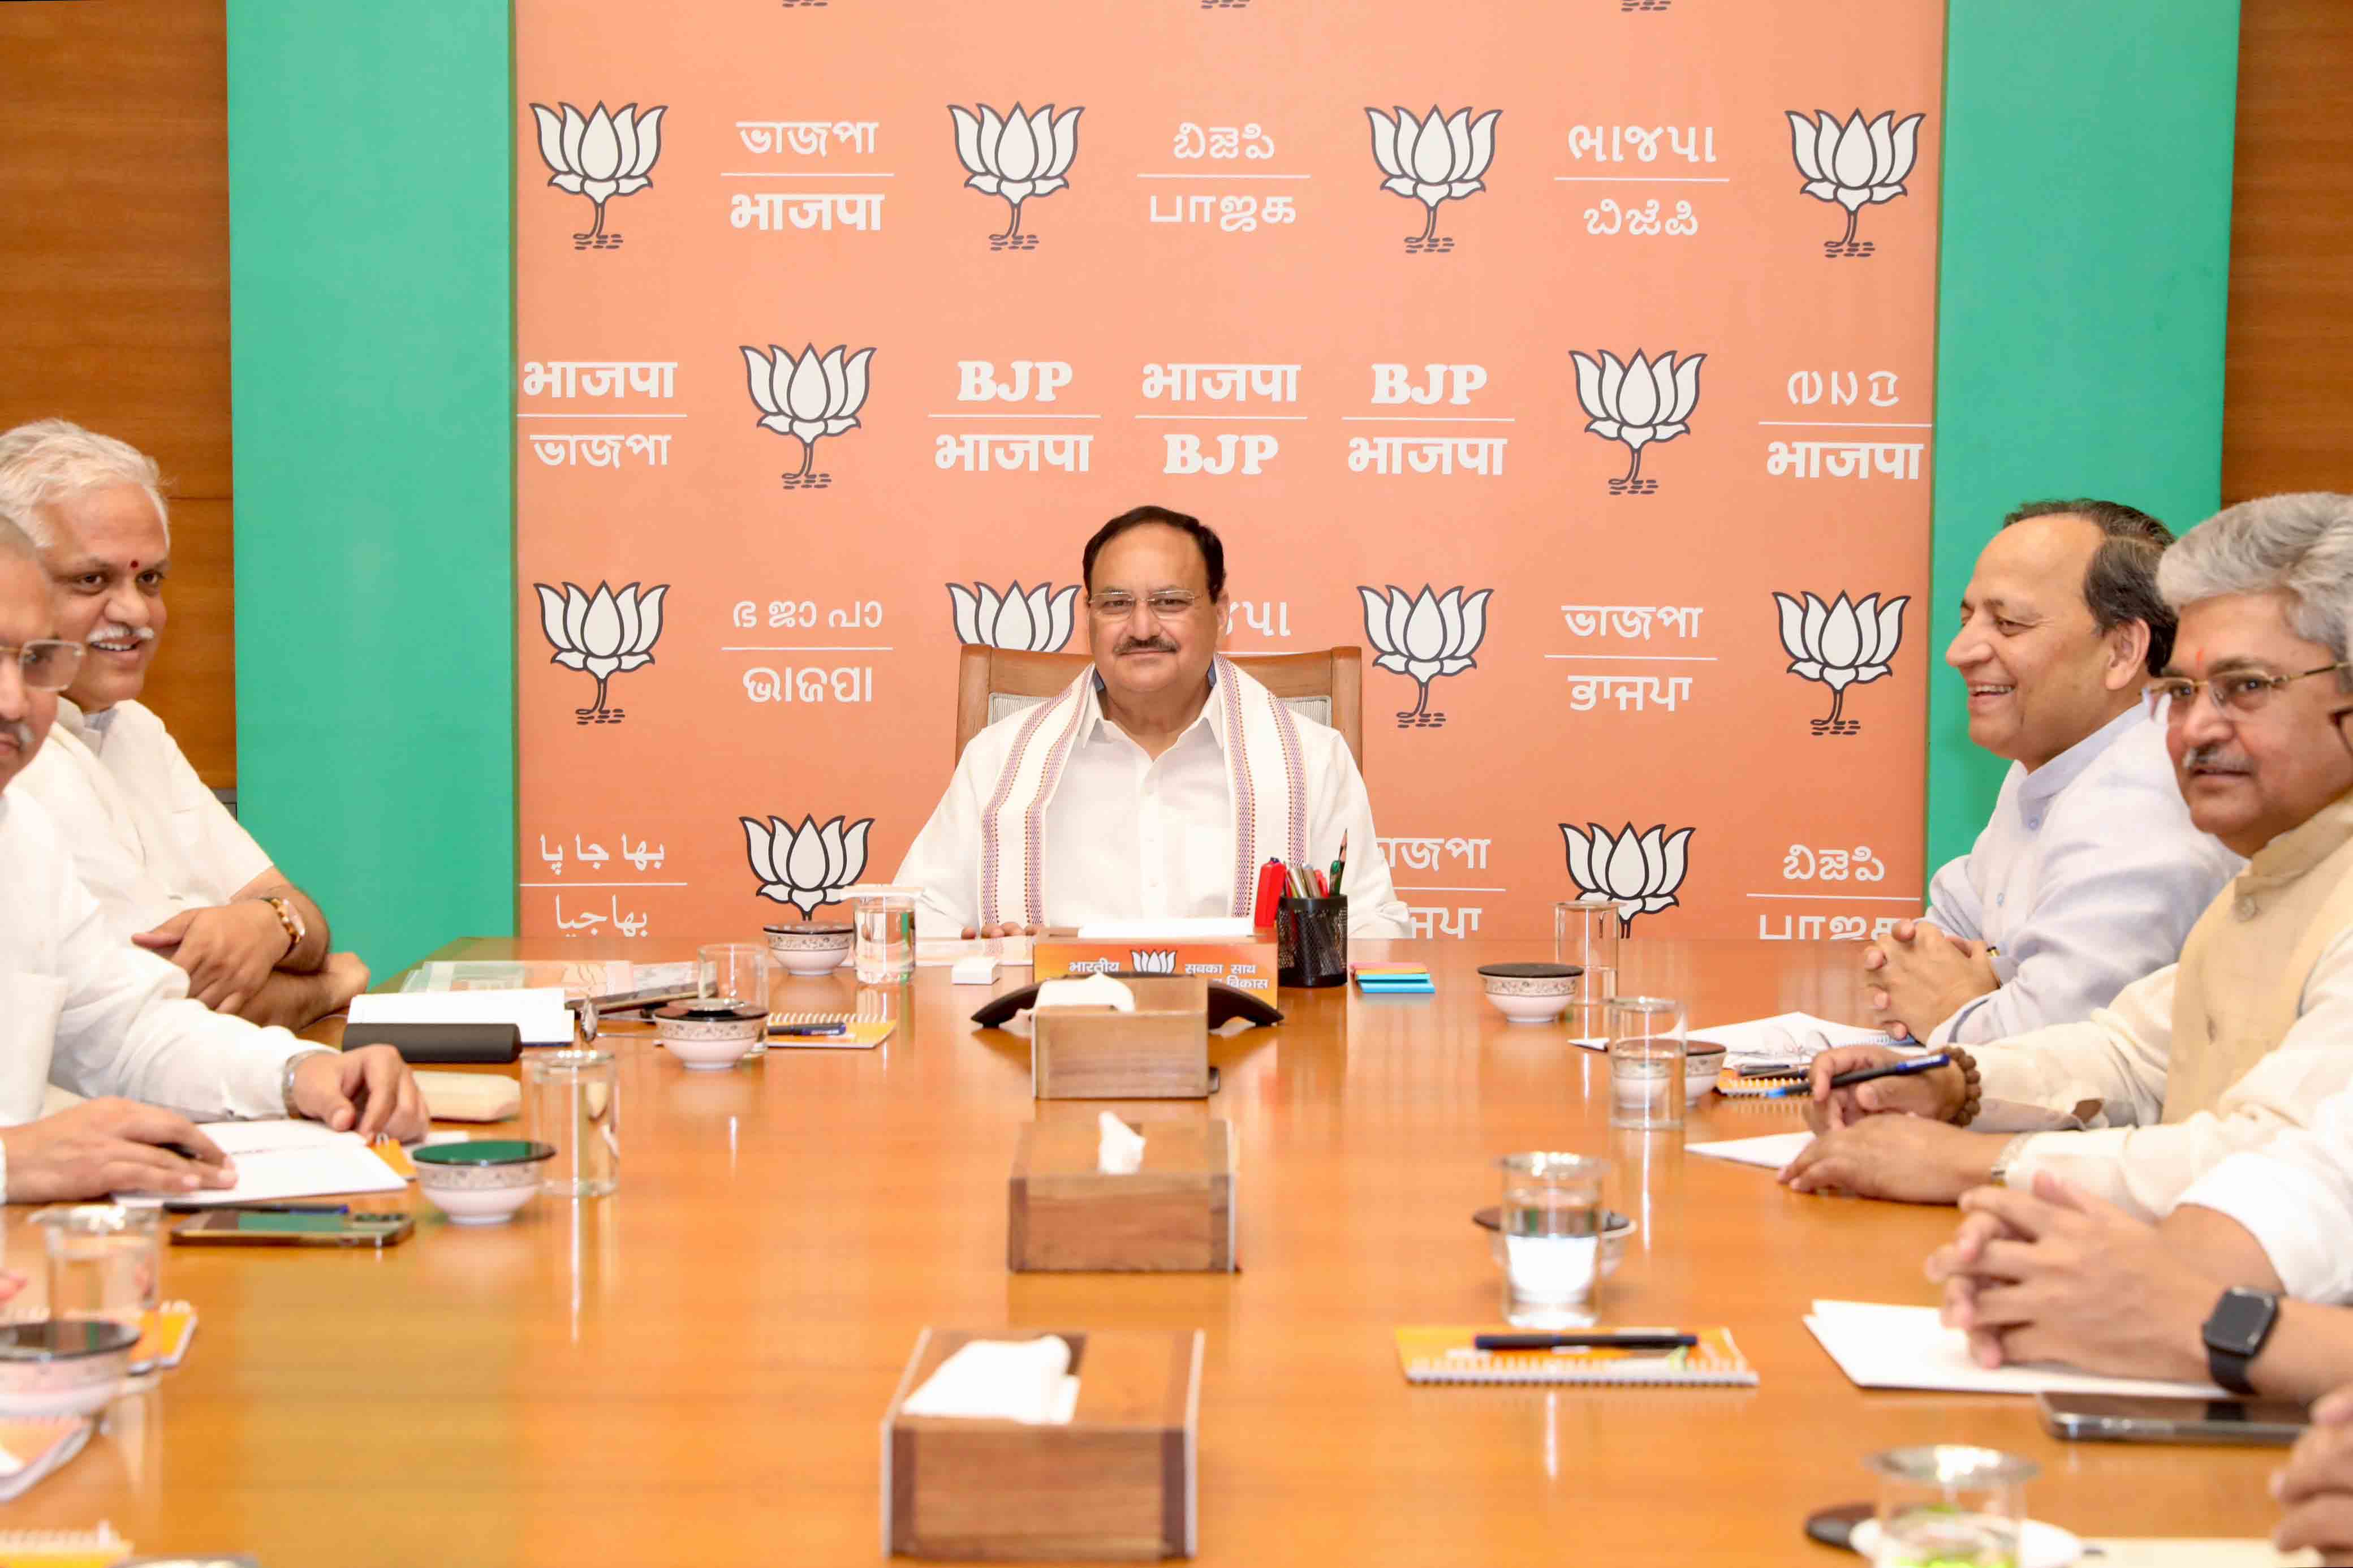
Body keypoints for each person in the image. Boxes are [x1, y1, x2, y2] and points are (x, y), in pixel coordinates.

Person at [1782, 493, 2353, 1211]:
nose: (2194, 727)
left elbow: (2278, 1164)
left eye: (2243, 688)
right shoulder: (2280, 870)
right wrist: (1952, 1081)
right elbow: (2129, 1053)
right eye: (2181, 691)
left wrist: (1974, 1162)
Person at [0, 514, 423, 1200]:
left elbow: (126, 1031)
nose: (15, 701)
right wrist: (10, 1164)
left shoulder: (18, 831)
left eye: (33, 663)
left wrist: (298, 1075)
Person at [895, 505, 1412, 937]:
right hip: (1042, 1046)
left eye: (1169, 602)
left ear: (1221, 613)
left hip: (1257, 1050)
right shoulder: (999, 759)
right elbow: (915, 922)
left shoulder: (1312, 760)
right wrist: (973, 952)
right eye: (1117, 603)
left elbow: (1376, 933)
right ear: (1089, 616)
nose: (1142, 628)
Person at [0, 419, 367, 1028]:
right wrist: (328, 988)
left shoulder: (135, 727)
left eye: (150, 580)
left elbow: (302, 914)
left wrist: (270, 923)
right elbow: (162, 1010)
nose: (136, 612)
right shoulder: (23, 758)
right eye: (92, 580)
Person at [1867, 500, 2239, 1044]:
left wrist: (1952, 1004)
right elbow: (1938, 932)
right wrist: (1966, 989)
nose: (1959, 651)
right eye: (1967, 619)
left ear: (2121, 651)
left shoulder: (2149, 796)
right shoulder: (2058, 754)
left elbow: (2048, 1053)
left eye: (2009, 624)